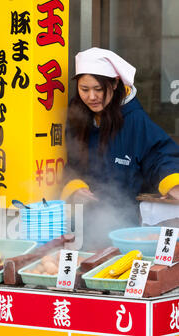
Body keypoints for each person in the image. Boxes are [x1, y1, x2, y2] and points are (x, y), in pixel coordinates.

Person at [61, 47, 179, 249]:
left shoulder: (134, 119)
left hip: (123, 224)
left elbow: (160, 155)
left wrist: (173, 182)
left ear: (115, 83)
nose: (91, 97)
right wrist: (74, 188)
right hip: (82, 225)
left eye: (98, 89)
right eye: (84, 89)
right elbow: (72, 164)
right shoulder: (77, 115)